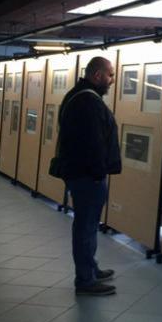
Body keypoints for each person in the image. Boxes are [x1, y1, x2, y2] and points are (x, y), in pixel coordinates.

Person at [57, 57, 121, 296]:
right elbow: (93, 143)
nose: (112, 80)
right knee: (86, 227)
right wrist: (97, 174)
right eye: (110, 75)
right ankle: (85, 279)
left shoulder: (79, 95)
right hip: (87, 176)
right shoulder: (88, 102)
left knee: (88, 225)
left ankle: (90, 269)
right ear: (97, 75)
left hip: (80, 173)